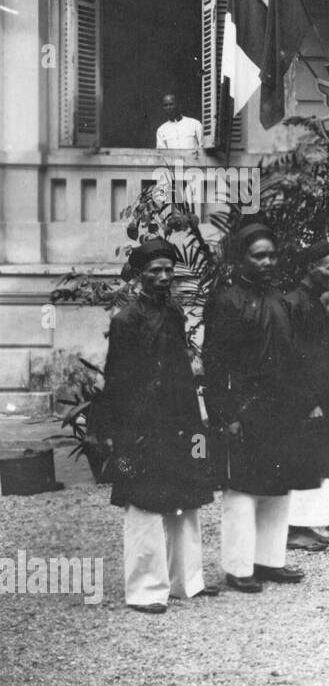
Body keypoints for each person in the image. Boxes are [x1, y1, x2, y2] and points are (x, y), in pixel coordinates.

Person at [103, 239, 216, 613]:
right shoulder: (126, 321)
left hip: (178, 420)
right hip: (142, 424)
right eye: (155, 271)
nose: (164, 277)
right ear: (139, 276)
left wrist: (193, 418)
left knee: (185, 501)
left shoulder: (172, 313)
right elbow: (117, 379)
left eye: (169, 270)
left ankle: (187, 581)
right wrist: (125, 430)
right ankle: (146, 589)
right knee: (145, 506)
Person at [202, 224, 306, 592]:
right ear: (240, 258)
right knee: (242, 491)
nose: (267, 262)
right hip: (243, 407)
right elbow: (213, 365)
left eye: (271, 255)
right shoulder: (226, 300)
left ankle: (269, 561)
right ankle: (239, 566)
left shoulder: (279, 299)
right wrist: (225, 415)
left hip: (280, 407)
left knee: (277, 489)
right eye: (258, 255)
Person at [282, 243, 329, 552]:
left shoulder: (322, 301)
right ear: (310, 266)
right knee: (303, 459)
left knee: (319, 459)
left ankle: (309, 523)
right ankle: (293, 528)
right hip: (304, 395)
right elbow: (292, 357)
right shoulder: (293, 303)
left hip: (326, 388)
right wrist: (308, 400)